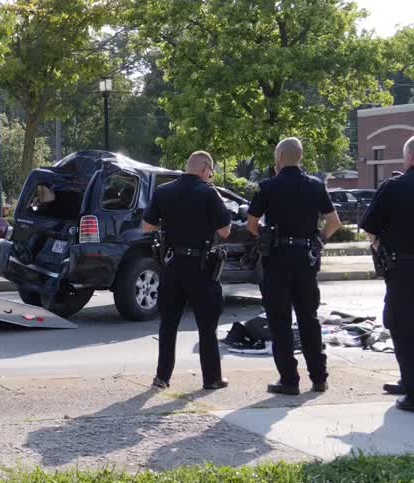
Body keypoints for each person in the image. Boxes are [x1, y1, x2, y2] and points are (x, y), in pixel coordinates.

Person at [246, 137, 341, 396]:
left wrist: (265, 235)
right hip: (305, 259)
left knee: (280, 321)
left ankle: (289, 380)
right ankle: (319, 378)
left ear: (278, 157)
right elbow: (334, 222)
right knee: (309, 319)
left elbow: (251, 224)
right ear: (300, 157)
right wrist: (318, 241)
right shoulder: (315, 186)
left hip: (277, 259)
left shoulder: (267, 187)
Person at [144, 151, 231, 390]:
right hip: (201, 268)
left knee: (168, 324)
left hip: (172, 265)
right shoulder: (208, 193)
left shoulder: (164, 191)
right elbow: (225, 232)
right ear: (204, 168)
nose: (211, 176)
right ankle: (212, 379)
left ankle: (162, 377)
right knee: (206, 326)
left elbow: (147, 225)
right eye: (211, 171)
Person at [359, 135, 414, 411]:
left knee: (402, 326)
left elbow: (369, 224)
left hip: (404, 268)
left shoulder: (395, 187)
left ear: (410, 157)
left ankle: (412, 390)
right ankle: (408, 381)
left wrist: (379, 243)